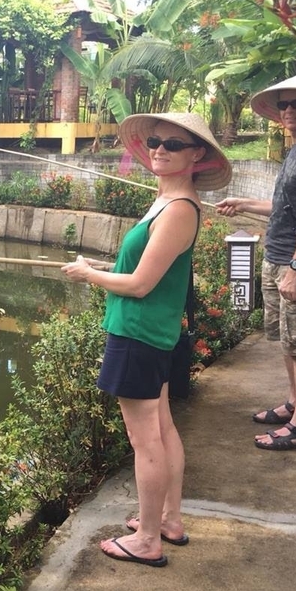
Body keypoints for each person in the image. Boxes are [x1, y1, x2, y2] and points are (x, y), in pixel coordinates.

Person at [62, 112, 231, 567]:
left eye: (174, 145)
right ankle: (169, 521)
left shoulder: (178, 210)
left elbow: (139, 284)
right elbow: (142, 271)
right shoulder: (165, 201)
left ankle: (148, 540)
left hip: (138, 334)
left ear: (197, 154)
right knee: (161, 427)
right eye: (155, 141)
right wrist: (101, 269)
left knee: (145, 441)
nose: (159, 149)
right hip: (151, 333)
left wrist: (89, 274)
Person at [215, 72, 296, 451]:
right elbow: (288, 208)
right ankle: (294, 404)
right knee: (288, 340)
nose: (288, 110)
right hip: (277, 257)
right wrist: (244, 204)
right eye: (283, 104)